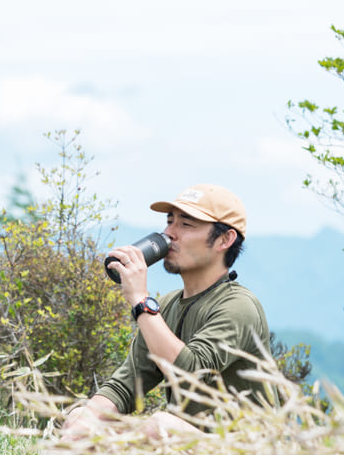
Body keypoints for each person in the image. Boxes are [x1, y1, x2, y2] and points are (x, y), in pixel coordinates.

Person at [61, 183, 273, 441]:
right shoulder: (168, 305)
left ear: (224, 239)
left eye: (186, 225)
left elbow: (191, 375)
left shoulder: (239, 306)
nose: (169, 233)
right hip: (188, 454)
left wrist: (140, 300)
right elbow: (127, 384)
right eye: (169, 222)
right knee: (82, 416)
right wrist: (85, 423)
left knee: (161, 425)